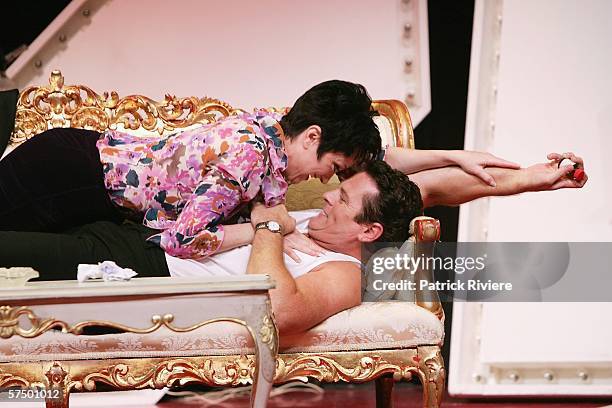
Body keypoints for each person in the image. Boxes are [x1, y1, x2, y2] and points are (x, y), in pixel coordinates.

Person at [0, 156, 587, 333]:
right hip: (138, 232)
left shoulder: (344, 271)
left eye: (342, 200)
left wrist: (267, 226)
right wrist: (526, 179)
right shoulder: (327, 218)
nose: (327, 196)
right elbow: (433, 186)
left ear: (369, 232)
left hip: (140, 268)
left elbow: (277, 309)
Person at [0, 80, 519, 260]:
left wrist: (454, 156)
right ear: (313, 137)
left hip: (83, 178)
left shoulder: (278, 143)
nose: (324, 181)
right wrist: (266, 228)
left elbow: (378, 163)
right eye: (330, 167)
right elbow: (180, 241)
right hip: (64, 175)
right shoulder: (252, 152)